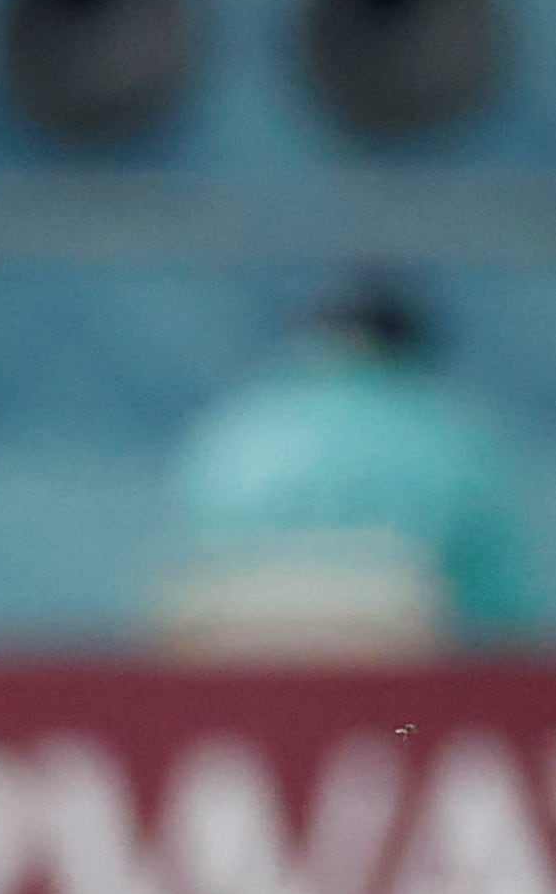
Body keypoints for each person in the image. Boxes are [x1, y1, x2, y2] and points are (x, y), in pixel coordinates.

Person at [163, 270, 539, 654]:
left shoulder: (234, 431)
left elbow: (180, 574)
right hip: (409, 694)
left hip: (226, 682)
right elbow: (508, 612)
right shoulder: (457, 440)